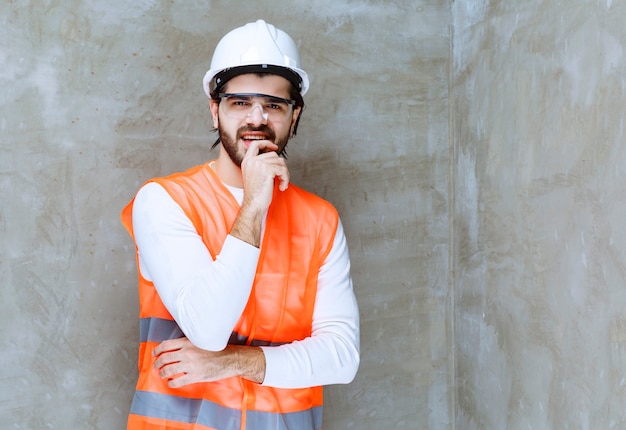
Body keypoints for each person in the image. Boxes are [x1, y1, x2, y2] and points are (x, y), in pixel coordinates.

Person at [121, 19, 360, 430]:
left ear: (294, 115)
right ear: (215, 111)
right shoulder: (163, 201)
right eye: (239, 102)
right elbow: (208, 329)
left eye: (274, 104)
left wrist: (230, 363)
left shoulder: (320, 219)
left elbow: (341, 357)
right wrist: (254, 203)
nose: (257, 118)